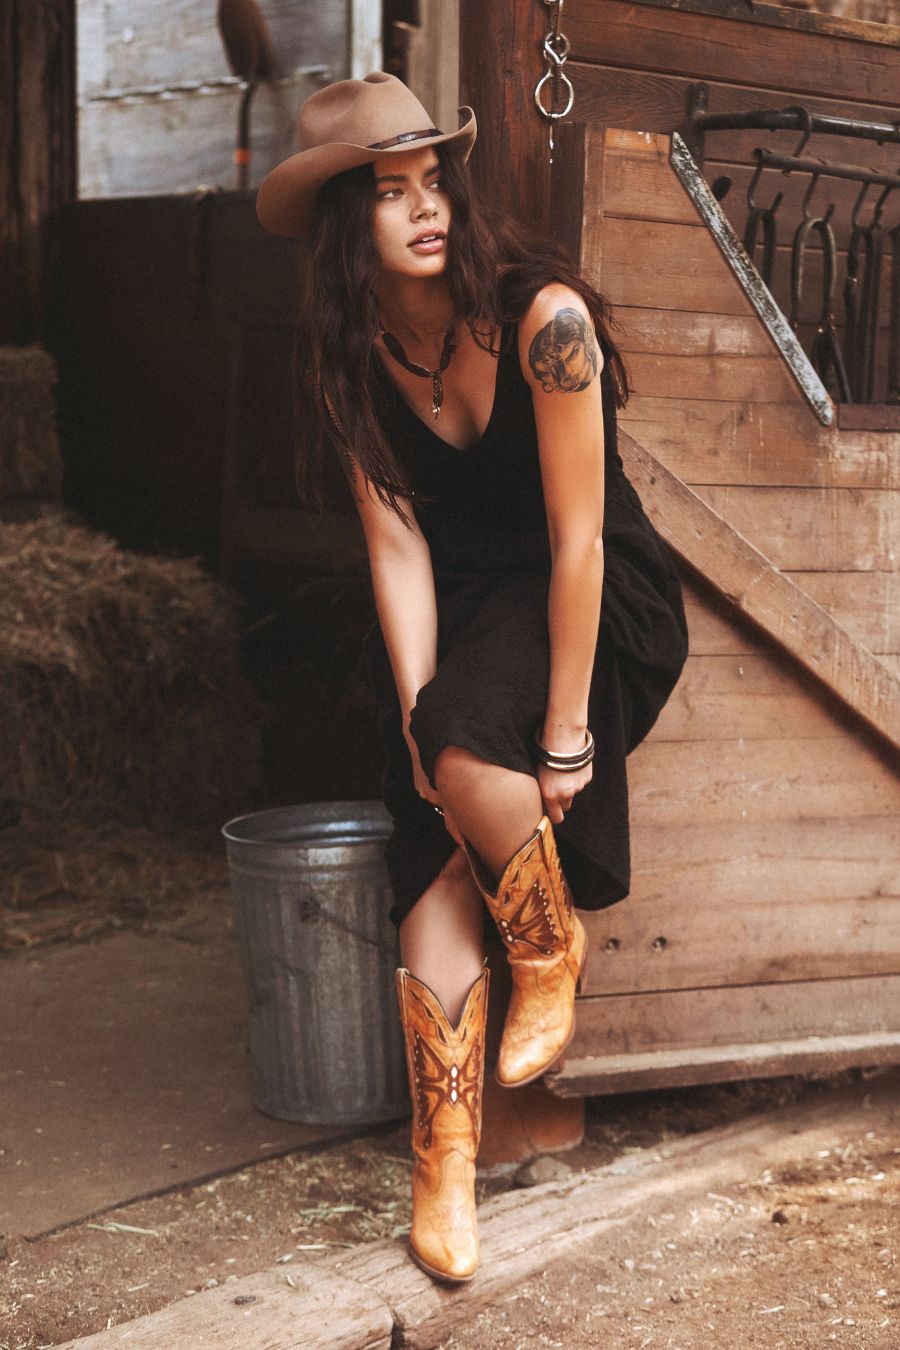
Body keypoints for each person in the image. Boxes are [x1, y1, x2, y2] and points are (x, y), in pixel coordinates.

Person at [256, 71, 689, 1284]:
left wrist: (562, 733)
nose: (427, 208)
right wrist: (415, 722)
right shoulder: (349, 362)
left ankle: (549, 954)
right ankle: (443, 1171)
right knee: (431, 854)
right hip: (468, 610)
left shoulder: (544, 320)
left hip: (595, 597)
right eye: (391, 192)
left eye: (432, 180)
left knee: (464, 743)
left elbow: (581, 540)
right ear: (348, 226)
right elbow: (396, 550)